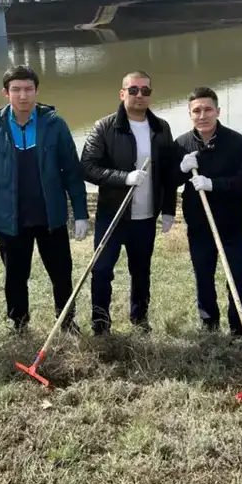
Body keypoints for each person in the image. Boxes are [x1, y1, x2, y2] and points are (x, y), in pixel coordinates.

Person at [0, 65, 89, 335]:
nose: (23, 95)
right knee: (15, 276)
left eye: (28, 89)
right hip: (11, 220)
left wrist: (81, 213)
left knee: (61, 274)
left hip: (51, 216)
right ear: (6, 93)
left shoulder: (55, 125)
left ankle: (66, 321)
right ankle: (19, 324)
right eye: (16, 90)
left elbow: (72, 172)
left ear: (37, 91)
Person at [81, 70, 176, 335]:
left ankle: (140, 318)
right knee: (102, 270)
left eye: (145, 91)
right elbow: (87, 167)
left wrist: (168, 209)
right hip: (112, 215)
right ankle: (101, 324)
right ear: (122, 93)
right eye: (133, 90)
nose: (139, 95)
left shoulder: (161, 128)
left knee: (141, 270)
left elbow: (168, 172)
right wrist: (124, 178)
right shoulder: (104, 127)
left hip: (145, 217)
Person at [175, 87, 242, 338]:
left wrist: (213, 184)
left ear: (218, 111)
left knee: (238, 277)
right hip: (198, 225)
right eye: (196, 111)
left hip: (230, 224)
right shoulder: (182, 144)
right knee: (203, 276)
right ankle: (209, 325)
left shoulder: (236, 142)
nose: (202, 115)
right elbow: (169, 180)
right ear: (190, 114)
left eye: (208, 109)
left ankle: (238, 329)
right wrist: (180, 169)